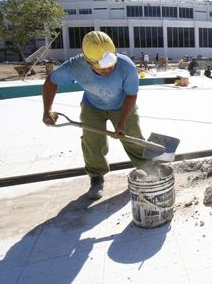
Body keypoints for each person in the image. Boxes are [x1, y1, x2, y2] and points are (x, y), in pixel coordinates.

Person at [42, 31, 147, 200]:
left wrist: (121, 122)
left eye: (111, 65)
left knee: (133, 137)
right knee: (92, 142)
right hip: (93, 106)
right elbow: (51, 81)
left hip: (123, 105)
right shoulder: (75, 66)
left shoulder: (126, 66)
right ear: (88, 61)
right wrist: (47, 110)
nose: (108, 69)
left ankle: (145, 170)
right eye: (102, 67)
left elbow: (131, 95)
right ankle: (96, 177)